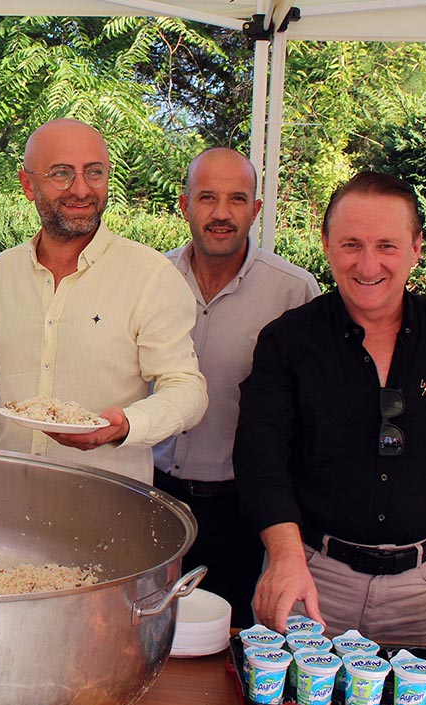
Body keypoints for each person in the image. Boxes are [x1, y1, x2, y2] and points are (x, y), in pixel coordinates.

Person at [234, 171, 426, 645]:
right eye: (350, 245)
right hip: (312, 583)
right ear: (325, 244)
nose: (368, 265)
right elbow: (262, 459)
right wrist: (284, 559)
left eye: (387, 245)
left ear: (416, 248)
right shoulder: (287, 340)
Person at [0, 118, 207, 481]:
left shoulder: (150, 276)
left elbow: (187, 389)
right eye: (61, 174)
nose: (81, 189)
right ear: (28, 184)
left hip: (104, 500)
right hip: (7, 489)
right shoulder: (5, 270)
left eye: (94, 172)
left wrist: (127, 425)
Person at [152, 148, 320, 627]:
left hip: (243, 508)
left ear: (256, 209)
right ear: (184, 205)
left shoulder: (293, 293)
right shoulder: (150, 281)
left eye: (236, 199)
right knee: (150, 630)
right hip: (154, 496)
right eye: (207, 197)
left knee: (236, 639)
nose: (221, 213)